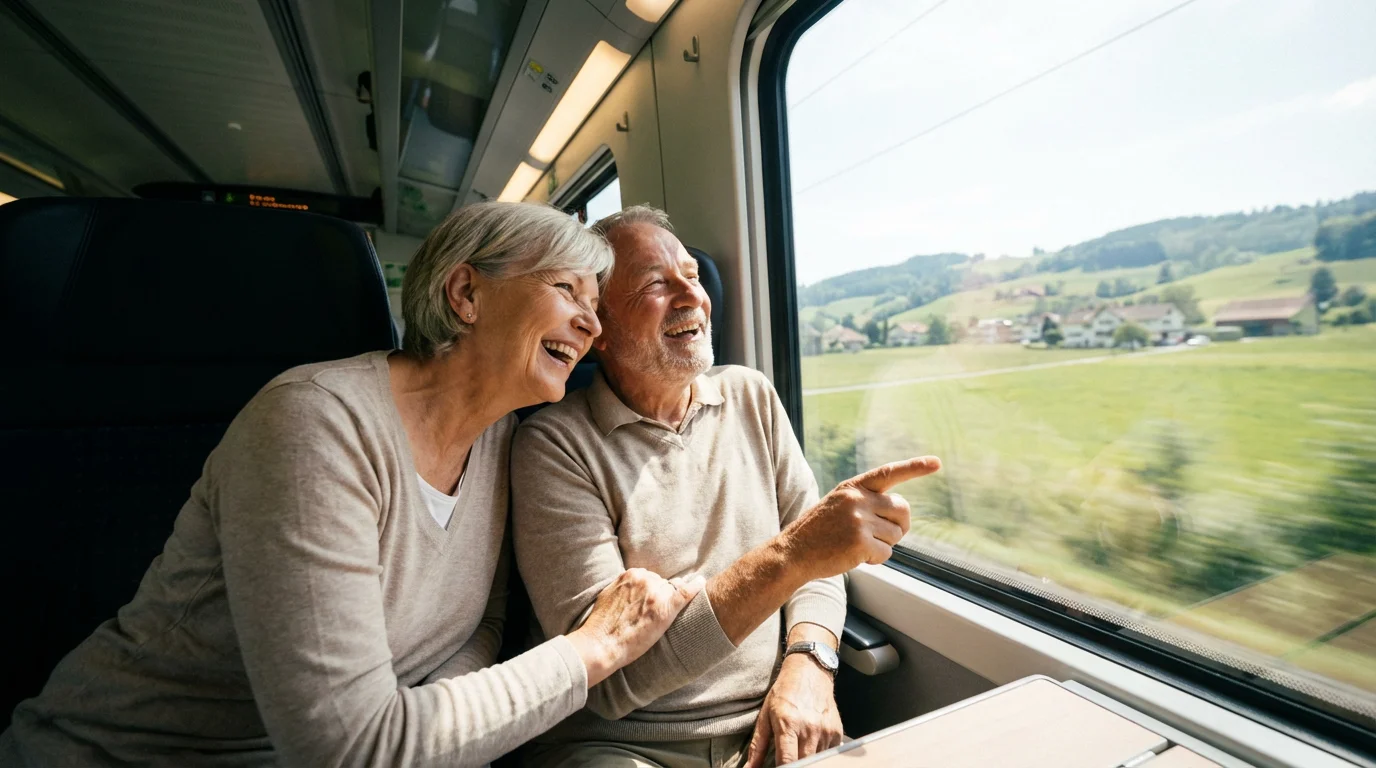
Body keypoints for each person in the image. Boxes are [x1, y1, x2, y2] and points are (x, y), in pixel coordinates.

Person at [0, 202, 702, 768]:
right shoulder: (314, 423)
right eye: (565, 290)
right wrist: (592, 651)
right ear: (466, 294)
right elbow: (351, 749)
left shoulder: (498, 439)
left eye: (596, 303)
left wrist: (427, 736)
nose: (590, 322)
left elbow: (480, 628)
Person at [511, 206, 940, 768]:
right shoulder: (552, 446)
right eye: (656, 284)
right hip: (619, 745)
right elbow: (609, 683)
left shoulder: (751, 396)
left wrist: (810, 665)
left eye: (691, 275)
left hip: (770, 721)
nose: (692, 296)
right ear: (600, 330)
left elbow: (822, 565)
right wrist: (792, 555)